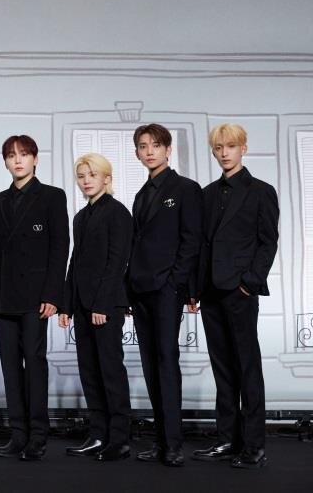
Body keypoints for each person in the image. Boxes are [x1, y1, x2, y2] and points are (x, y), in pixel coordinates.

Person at [191, 124, 278, 470]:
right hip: (210, 292)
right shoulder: (207, 194)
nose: (224, 152)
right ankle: (227, 439)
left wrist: (249, 283)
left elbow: (267, 242)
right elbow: (201, 245)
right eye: (218, 147)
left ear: (243, 148)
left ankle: (254, 445)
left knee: (247, 367)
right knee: (222, 368)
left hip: (239, 292)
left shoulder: (261, 191)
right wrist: (195, 289)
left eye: (230, 146)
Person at [0, 135, 69, 461]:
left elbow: (60, 248)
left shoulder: (52, 197)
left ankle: (38, 435)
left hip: (36, 297)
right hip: (3, 295)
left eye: (24, 154)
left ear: (35, 159)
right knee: (9, 366)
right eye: (11, 155)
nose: (17, 160)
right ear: (5, 161)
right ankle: (18, 434)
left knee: (34, 363)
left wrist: (52, 294)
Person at [127, 123, 203, 467]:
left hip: (166, 289)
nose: (149, 151)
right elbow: (137, 244)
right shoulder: (141, 194)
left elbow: (191, 240)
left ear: (168, 150)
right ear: (137, 153)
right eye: (143, 146)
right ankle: (160, 442)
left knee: (166, 362)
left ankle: (173, 445)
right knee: (150, 365)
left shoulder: (185, 188)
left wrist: (176, 284)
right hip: (140, 289)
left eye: (156, 145)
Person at [58, 153, 133, 462]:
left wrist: (102, 304)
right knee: (89, 373)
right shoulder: (80, 217)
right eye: (81, 176)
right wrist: (66, 305)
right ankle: (98, 434)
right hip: (83, 306)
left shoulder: (118, 213)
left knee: (110, 372)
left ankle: (120, 439)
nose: (86, 180)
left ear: (107, 178)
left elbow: (117, 263)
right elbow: (75, 263)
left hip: (106, 306)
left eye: (92, 174)